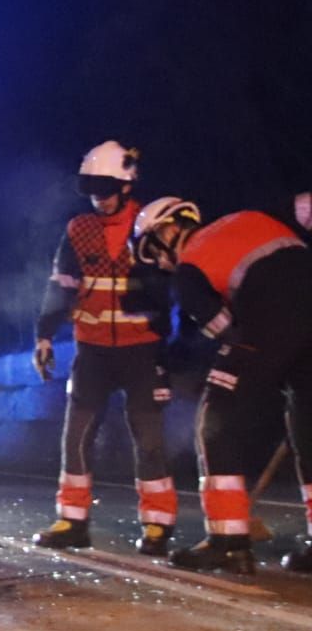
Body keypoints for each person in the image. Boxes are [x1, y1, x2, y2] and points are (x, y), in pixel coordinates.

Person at [133, 198, 312, 574]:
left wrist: (243, 355)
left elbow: (226, 329)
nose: (160, 262)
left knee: (216, 420)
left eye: (153, 249)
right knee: (307, 426)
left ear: (169, 229)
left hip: (268, 316)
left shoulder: (189, 264)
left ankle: (228, 542)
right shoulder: (249, 214)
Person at [31, 141, 177, 554]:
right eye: (92, 187)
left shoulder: (148, 223)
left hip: (142, 351)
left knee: (148, 439)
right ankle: (72, 521)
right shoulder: (78, 229)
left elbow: (169, 287)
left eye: (106, 187)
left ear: (127, 186)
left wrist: (168, 341)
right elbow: (60, 287)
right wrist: (44, 335)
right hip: (92, 351)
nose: (98, 196)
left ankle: (157, 525)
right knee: (75, 436)